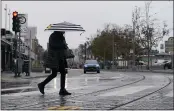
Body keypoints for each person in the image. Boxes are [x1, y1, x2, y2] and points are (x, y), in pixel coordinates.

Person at [38, 31, 71, 95]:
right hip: (54, 58)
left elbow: (62, 46)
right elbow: (53, 45)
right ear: (60, 30)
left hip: (60, 57)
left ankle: (62, 89)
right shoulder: (53, 36)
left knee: (63, 72)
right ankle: (41, 85)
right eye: (63, 31)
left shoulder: (62, 37)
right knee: (54, 74)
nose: (64, 32)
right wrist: (62, 45)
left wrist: (65, 46)